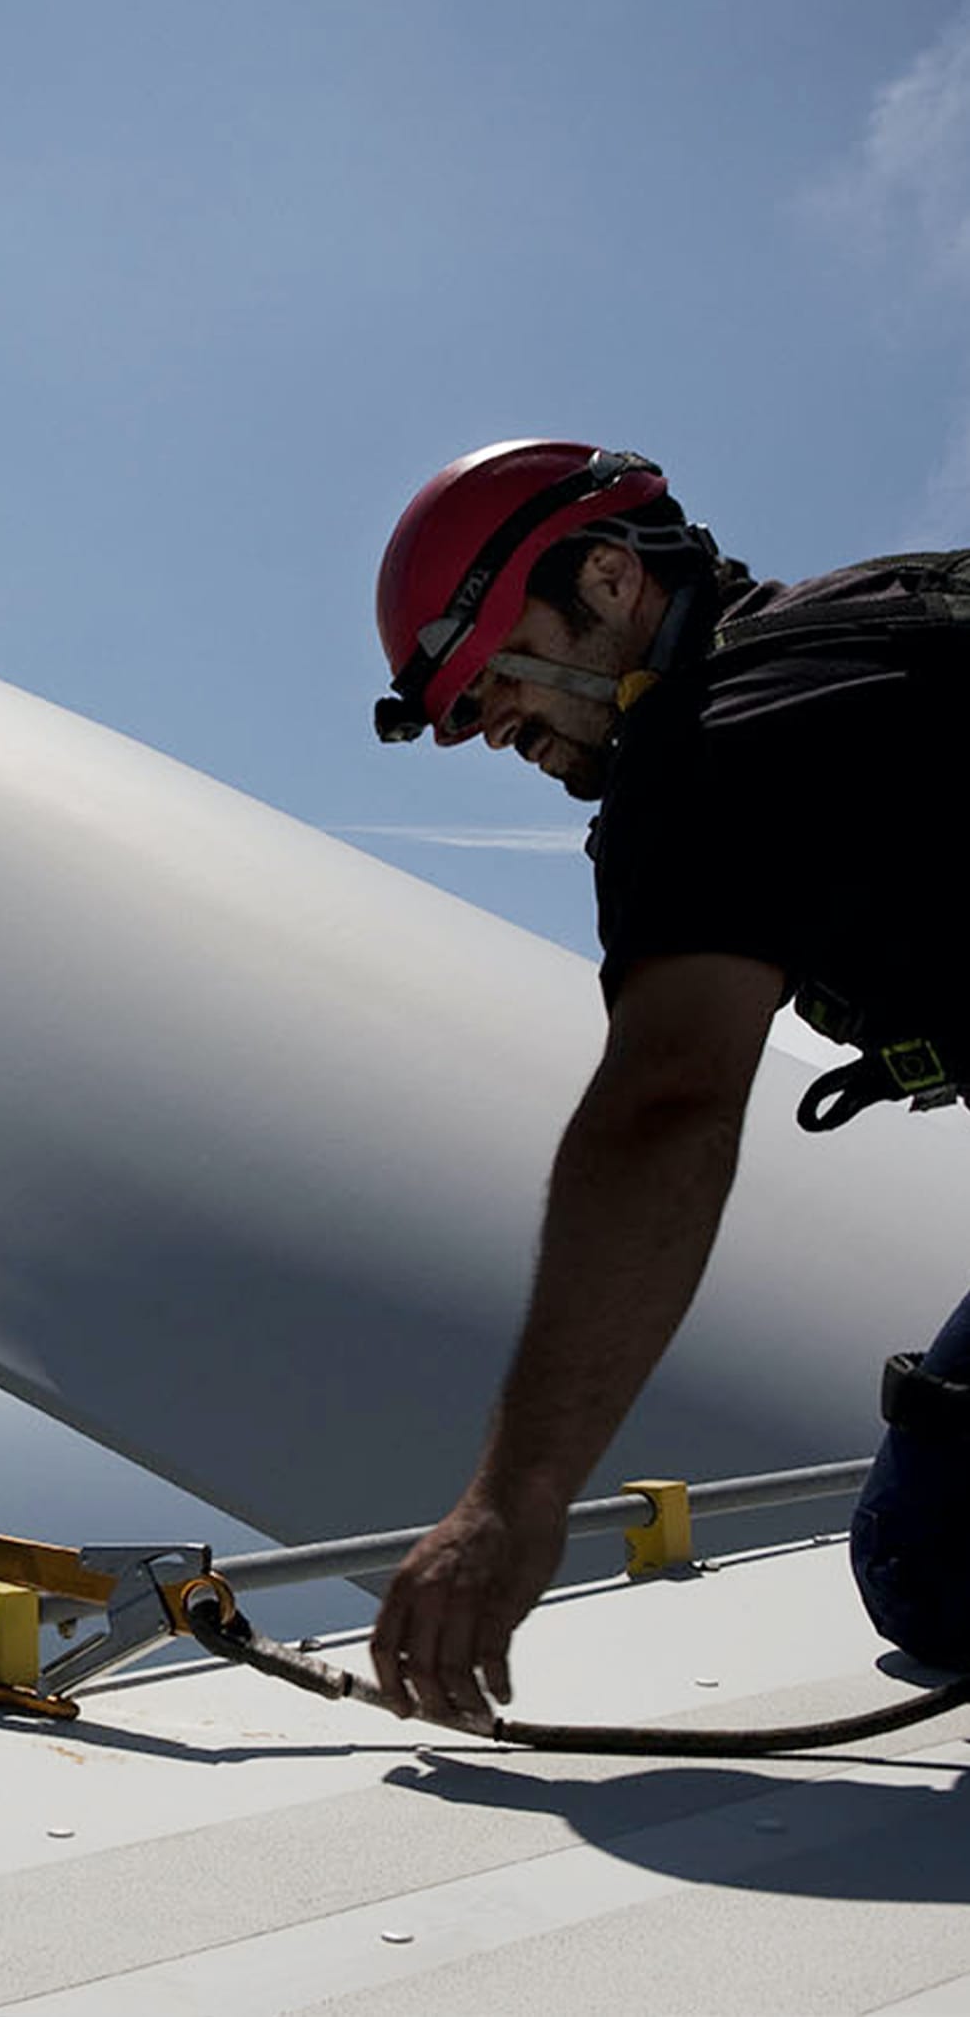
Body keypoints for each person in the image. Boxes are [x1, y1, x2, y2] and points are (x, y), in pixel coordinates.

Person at [363, 439, 970, 1723]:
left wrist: (510, 1506)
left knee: (934, 1567)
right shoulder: (893, 613)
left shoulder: (707, 748)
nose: (486, 729)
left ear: (605, 581)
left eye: (488, 679)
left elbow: (666, 1104)